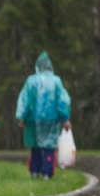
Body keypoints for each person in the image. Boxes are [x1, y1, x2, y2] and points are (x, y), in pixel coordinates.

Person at [15, 51, 71, 179]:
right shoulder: (56, 81)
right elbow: (62, 100)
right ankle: (47, 173)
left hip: (33, 119)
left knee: (35, 146)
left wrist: (22, 117)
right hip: (51, 119)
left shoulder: (31, 81)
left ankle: (34, 171)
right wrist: (65, 118)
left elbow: (25, 99)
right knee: (49, 146)